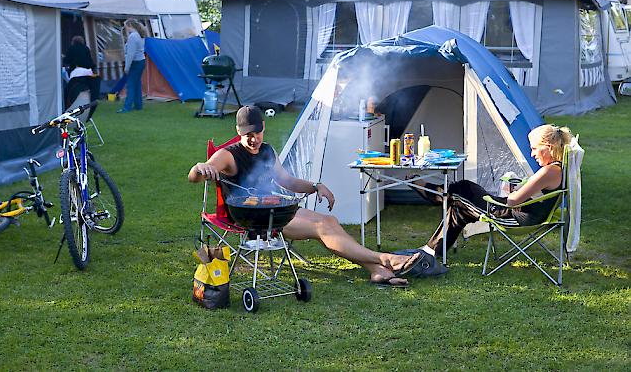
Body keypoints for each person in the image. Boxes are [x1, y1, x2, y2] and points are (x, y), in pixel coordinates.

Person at [188, 106, 445, 286]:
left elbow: (285, 181)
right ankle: (385, 259)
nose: (252, 139)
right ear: (238, 130)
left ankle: (376, 270)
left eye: (256, 132)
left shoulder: (266, 150)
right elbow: (195, 174)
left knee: (329, 222)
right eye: (247, 134)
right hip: (251, 218)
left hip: (275, 208)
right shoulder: (229, 155)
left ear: (263, 127)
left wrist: (315, 186)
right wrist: (201, 168)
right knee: (322, 227)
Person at [418, 124, 573, 260]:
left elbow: (513, 201)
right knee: (461, 206)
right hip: (516, 212)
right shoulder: (557, 169)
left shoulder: (549, 171)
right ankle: (432, 250)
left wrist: (512, 191)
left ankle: (426, 189)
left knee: (462, 190)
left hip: (514, 217)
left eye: (534, 149)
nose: (532, 154)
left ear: (549, 147)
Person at [118, 18, 147, 113]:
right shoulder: (139, 35)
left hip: (135, 63)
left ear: (130, 25)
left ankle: (127, 107)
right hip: (141, 61)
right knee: (137, 84)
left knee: (130, 85)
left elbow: (130, 54)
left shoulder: (133, 37)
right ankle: (138, 105)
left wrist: (127, 67)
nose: (126, 29)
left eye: (126, 27)